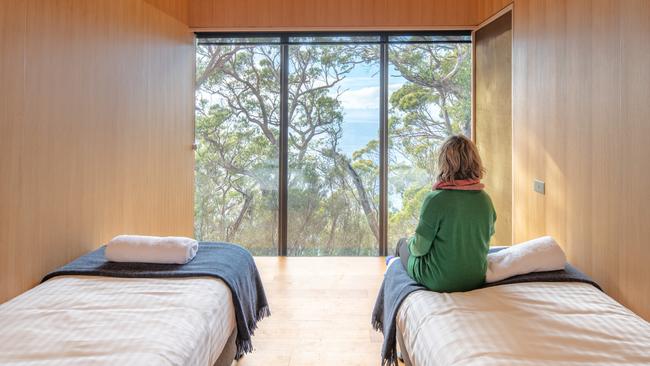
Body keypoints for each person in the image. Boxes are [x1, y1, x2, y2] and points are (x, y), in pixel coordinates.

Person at [394, 134, 496, 292]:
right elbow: (486, 237)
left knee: (402, 244)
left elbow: (419, 248)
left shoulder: (435, 200)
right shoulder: (485, 200)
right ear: (475, 162)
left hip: (440, 280)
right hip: (475, 278)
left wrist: (410, 241)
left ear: (444, 163)